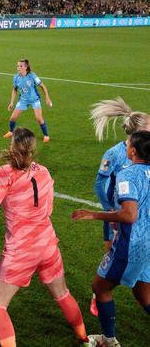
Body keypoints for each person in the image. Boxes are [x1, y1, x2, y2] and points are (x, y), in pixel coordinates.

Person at [0, 128, 89, 347]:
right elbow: (47, 207)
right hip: (47, 243)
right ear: (33, 149)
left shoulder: (5, 173)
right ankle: (84, 337)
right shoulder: (43, 171)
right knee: (62, 294)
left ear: (13, 145)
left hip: (21, 249)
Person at [72, 130, 150, 347]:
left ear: (133, 151)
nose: (125, 146)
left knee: (100, 288)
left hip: (132, 244)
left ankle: (108, 341)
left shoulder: (128, 174)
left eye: (128, 144)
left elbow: (129, 215)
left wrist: (94, 214)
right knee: (144, 294)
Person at [89, 97, 150, 316]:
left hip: (139, 222)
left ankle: (103, 291)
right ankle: (99, 294)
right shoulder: (115, 155)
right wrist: (108, 209)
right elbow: (100, 183)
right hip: (119, 217)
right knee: (111, 257)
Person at [3, 59, 53, 142]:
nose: (18, 68)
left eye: (21, 66)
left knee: (39, 119)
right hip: (23, 100)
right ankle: (11, 131)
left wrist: (47, 98)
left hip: (34, 100)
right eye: (17, 66)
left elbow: (43, 86)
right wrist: (11, 102)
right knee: (12, 118)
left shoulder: (32, 76)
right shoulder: (16, 78)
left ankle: (46, 135)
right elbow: (14, 89)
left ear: (26, 67)